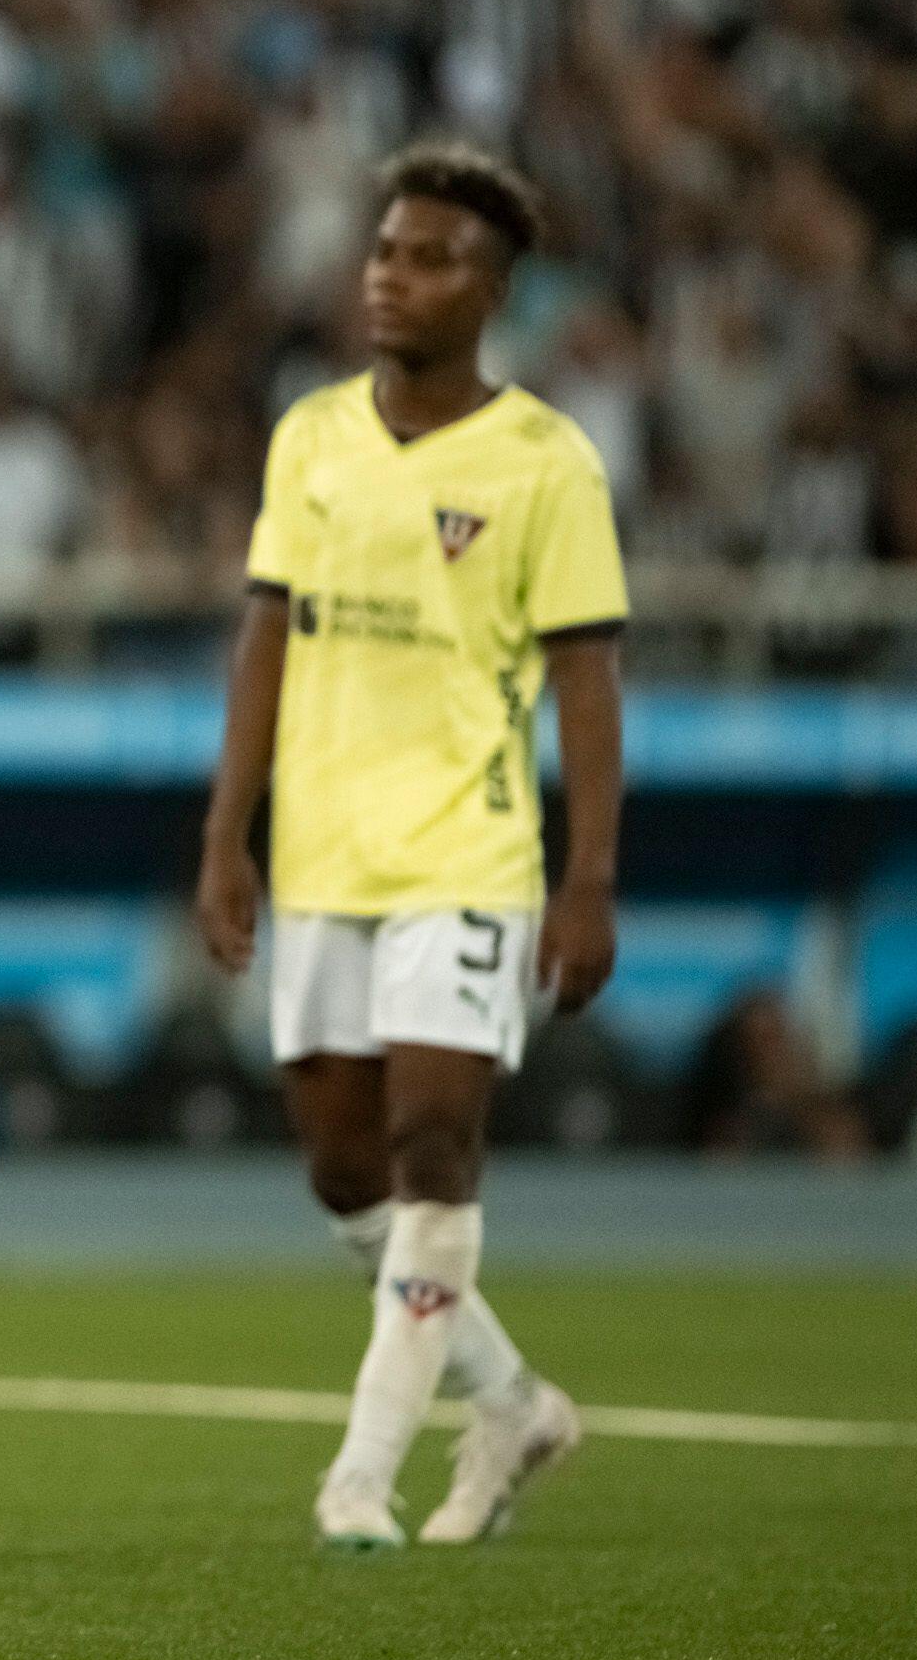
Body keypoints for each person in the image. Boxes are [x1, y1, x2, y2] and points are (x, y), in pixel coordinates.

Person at [196, 144, 627, 1551]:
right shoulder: (311, 434)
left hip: (470, 852)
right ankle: (514, 1405)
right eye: (384, 250)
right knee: (342, 1172)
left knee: (436, 1138)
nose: (393, 274)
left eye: (430, 257)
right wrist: (228, 836)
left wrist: (588, 877)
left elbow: (587, 683)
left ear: (492, 289)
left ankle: (361, 1479)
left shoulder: (546, 462)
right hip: (322, 853)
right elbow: (265, 641)